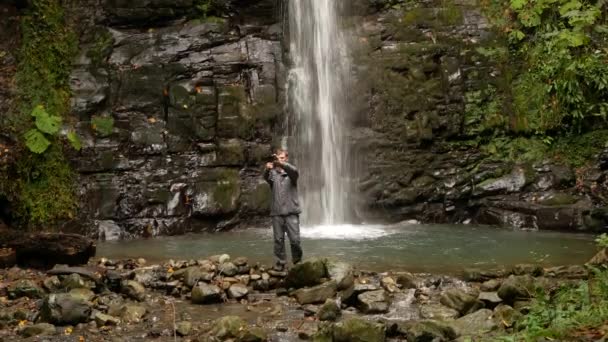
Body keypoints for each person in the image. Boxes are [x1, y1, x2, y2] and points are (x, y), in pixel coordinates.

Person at [263, 149, 302, 270]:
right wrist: (267, 169)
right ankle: (281, 262)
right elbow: (266, 177)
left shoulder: (292, 175)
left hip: (291, 212)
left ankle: (297, 261)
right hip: (277, 213)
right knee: (278, 240)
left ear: (286, 159)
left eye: (282, 158)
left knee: (295, 240)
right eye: (278, 158)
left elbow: (294, 171)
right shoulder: (273, 175)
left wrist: (281, 164)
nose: (280, 160)